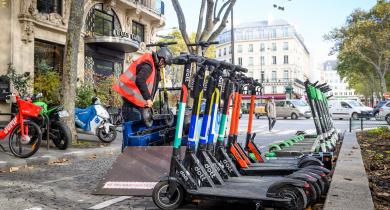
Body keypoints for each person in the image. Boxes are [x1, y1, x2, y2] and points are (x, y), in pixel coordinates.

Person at [113, 48, 172, 122]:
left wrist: (158, 78)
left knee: (139, 124)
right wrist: (148, 98)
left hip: (134, 99)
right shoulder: (148, 64)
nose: (164, 66)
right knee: (134, 125)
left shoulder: (153, 65)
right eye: (165, 64)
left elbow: (151, 80)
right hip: (130, 99)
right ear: (162, 60)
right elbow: (140, 80)